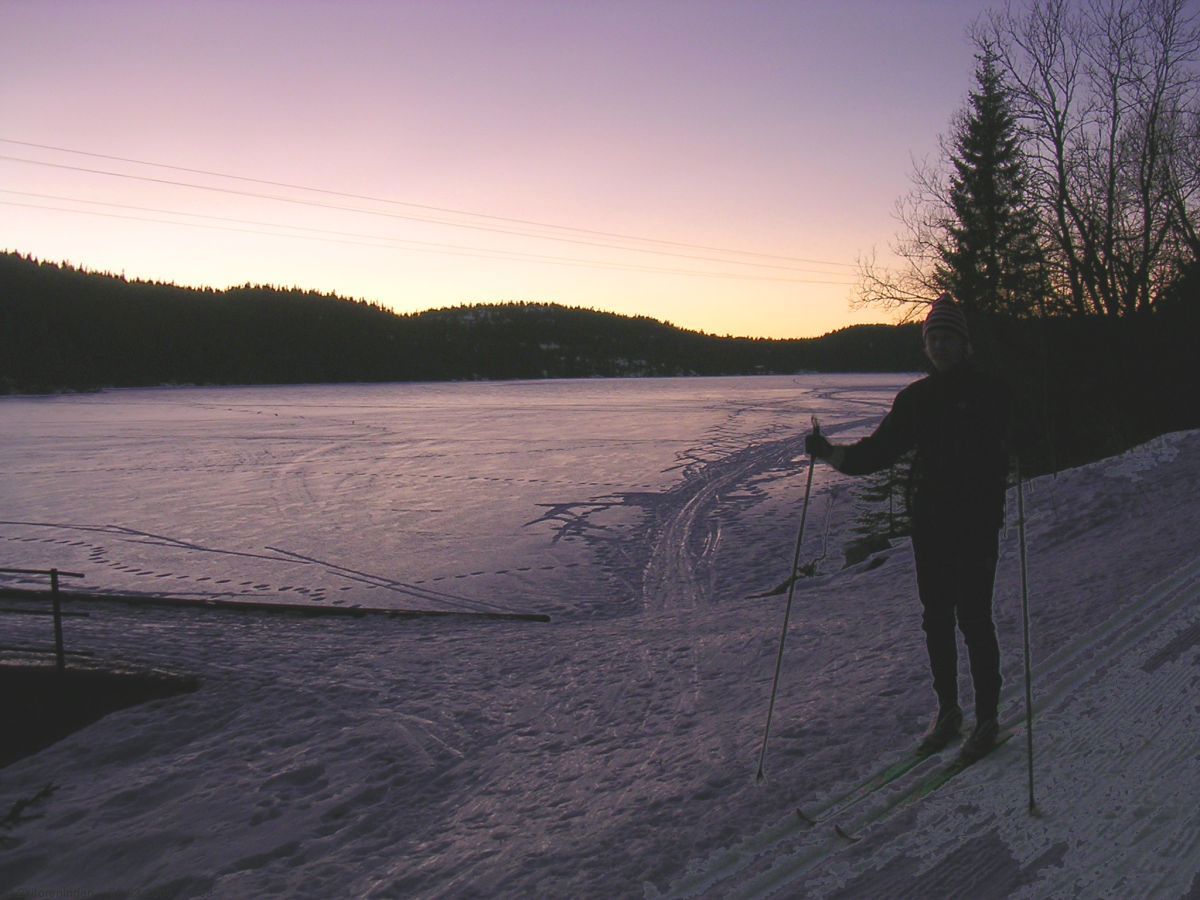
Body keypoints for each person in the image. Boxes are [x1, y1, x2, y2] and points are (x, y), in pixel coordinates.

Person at [805, 294, 1011, 762]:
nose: (939, 345)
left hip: (976, 524)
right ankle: (949, 712)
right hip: (932, 524)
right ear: (925, 346)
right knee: (936, 618)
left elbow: (1018, 437)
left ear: (964, 344)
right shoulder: (916, 399)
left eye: (948, 337)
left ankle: (988, 717)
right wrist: (830, 453)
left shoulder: (991, 392)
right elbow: (876, 453)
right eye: (932, 338)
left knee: (974, 619)